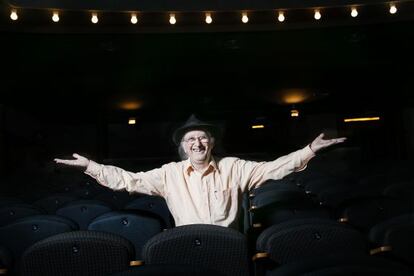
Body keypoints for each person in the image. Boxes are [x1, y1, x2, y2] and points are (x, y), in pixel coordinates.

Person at [54, 114, 346, 228]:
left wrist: (310, 149)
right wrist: (90, 166)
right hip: (187, 247)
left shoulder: (234, 167)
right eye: (190, 139)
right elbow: (127, 180)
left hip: (231, 246)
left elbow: (275, 168)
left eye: (202, 137)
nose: (197, 142)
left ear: (211, 143)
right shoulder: (169, 173)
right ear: (184, 147)